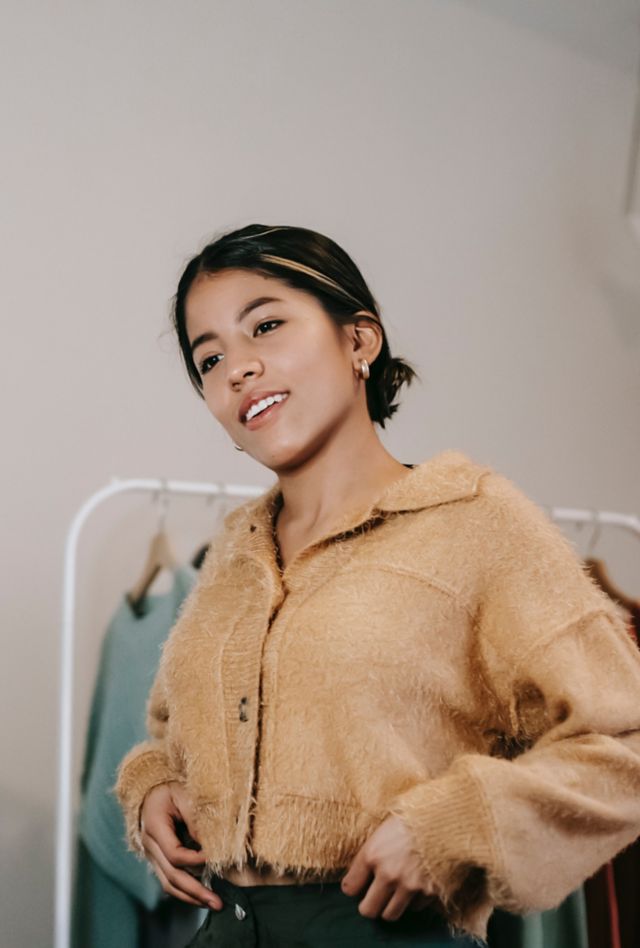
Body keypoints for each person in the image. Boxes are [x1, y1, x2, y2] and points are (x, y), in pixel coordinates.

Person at [116, 223, 640, 947]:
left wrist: (453, 827)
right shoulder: (233, 555)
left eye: (265, 325)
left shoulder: (475, 524)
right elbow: (173, 733)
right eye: (209, 359)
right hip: (224, 930)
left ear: (360, 341)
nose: (237, 368)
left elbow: (626, 740)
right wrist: (153, 789)